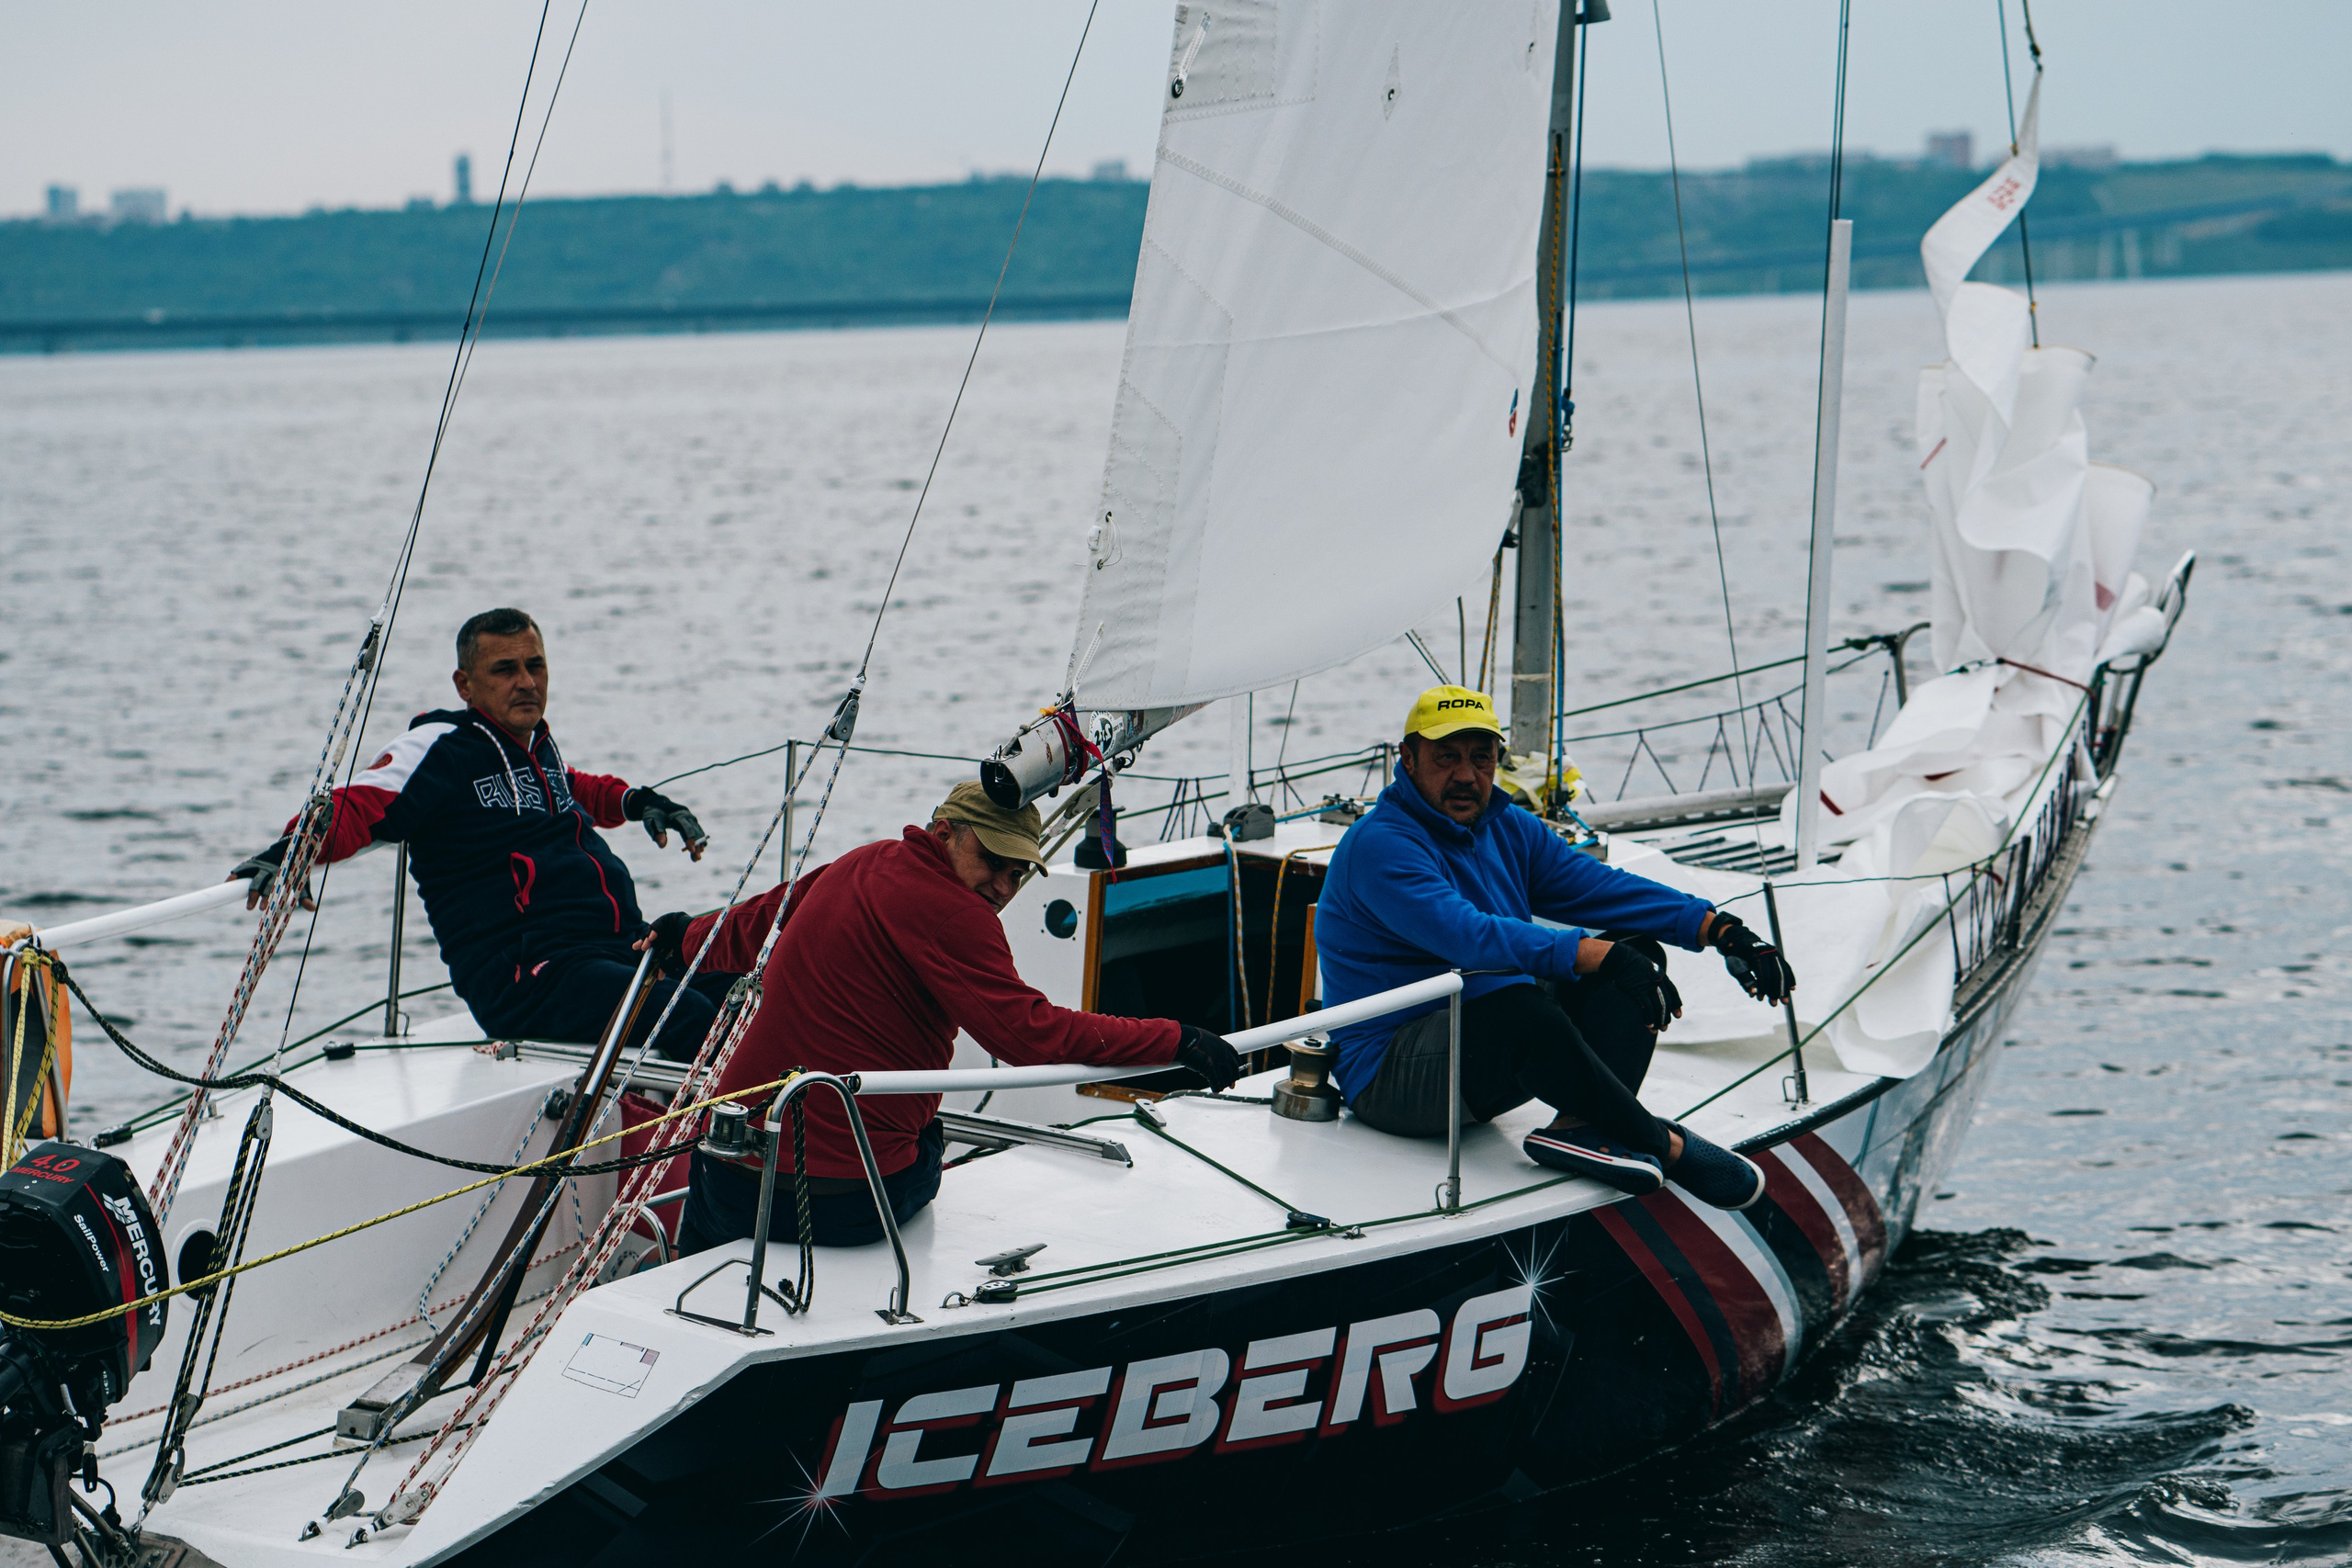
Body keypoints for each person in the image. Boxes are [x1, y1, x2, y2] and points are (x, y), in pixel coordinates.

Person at [648, 782, 1243, 1252]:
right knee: (930, 1142)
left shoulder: (861, 861)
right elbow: (1029, 1035)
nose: (1003, 886)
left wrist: (679, 940)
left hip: (725, 1177)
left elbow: (754, 926)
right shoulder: (958, 914)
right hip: (836, 1202)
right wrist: (1178, 1039)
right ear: (943, 832)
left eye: (1018, 873)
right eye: (992, 859)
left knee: (693, 1255)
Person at [1313, 685, 1799, 1210]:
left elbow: (1597, 887)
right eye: (1445, 756)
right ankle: (1667, 1145)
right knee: (1521, 1005)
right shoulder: (1380, 843)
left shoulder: (1506, 827)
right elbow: (1471, 938)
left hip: (1481, 1054)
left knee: (1633, 952)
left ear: (1497, 760)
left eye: (1481, 757)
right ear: (1407, 759)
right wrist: (1598, 954)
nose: (1465, 775)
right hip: (1391, 1078)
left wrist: (1719, 928)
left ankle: (1581, 1126)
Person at [229, 608, 724, 1057]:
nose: (526, 682)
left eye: (536, 666)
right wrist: (294, 849)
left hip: (615, 945)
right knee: (688, 1014)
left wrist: (639, 802)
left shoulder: (534, 747)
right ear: (465, 685)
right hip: (529, 975)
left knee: (742, 981)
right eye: (505, 670)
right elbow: (357, 802)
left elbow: (572, 786)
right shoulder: (442, 749)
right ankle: (699, 1152)